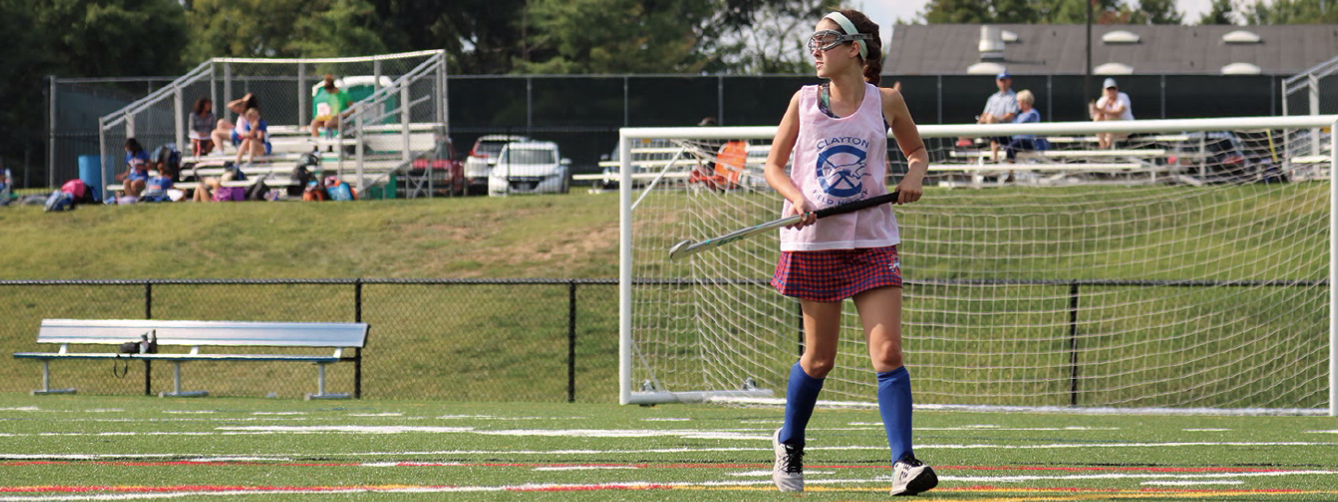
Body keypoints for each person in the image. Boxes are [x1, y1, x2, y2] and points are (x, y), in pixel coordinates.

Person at [763, 9, 936, 497]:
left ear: (854, 47)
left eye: (824, 39)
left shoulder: (888, 102)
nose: (814, 49)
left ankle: (903, 463)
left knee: (888, 352)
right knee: (819, 360)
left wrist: (914, 175)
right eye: (812, 40)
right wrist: (797, 199)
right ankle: (790, 441)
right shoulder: (803, 101)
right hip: (815, 243)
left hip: (872, 240)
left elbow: (918, 152)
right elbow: (774, 167)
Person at [957, 72, 1018, 153]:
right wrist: (982, 120)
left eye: (1005, 80)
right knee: (962, 133)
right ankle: (971, 158)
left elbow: (1010, 115)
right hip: (987, 125)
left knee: (990, 118)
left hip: (1003, 129)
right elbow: (985, 114)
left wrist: (995, 119)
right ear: (997, 82)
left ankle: (987, 142)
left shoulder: (1013, 97)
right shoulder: (993, 98)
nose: (1003, 83)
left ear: (1009, 81)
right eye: (1001, 80)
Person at [1089, 78, 1134, 149]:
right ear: (1104, 90)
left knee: (1111, 118)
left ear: (1117, 89)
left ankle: (1107, 148)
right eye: (1108, 89)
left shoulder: (1123, 97)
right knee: (1098, 117)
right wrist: (1106, 100)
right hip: (1109, 132)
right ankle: (1103, 146)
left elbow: (1118, 113)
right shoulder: (1102, 100)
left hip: (1125, 130)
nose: (1111, 91)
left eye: (1113, 89)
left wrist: (1101, 110)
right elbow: (1096, 115)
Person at [1004, 90, 1045, 163]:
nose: (1017, 104)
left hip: (1028, 142)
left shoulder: (1033, 113)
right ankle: (994, 160)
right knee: (996, 138)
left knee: (1011, 147)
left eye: (1018, 101)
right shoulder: (1019, 115)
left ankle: (1010, 172)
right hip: (1016, 140)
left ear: (1025, 102)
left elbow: (1021, 123)